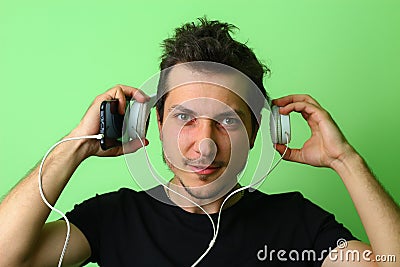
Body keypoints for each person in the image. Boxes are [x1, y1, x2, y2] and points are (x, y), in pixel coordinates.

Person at [0, 17, 399, 267]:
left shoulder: (296, 223)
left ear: (257, 133)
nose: (203, 145)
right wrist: (78, 145)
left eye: (227, 120)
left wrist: (345, 160)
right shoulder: (114, 218)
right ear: (154, 124)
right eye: (184, 118)